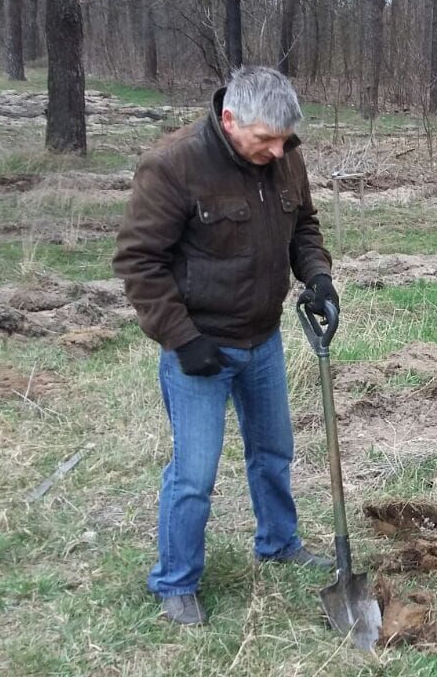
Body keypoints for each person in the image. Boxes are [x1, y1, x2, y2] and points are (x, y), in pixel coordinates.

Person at [113, 66, 339, 627]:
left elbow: (303, 227)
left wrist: (317, 276)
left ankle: (280, 542)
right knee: (194, 473)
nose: (277, 149)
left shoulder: (284, 155)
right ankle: (176, 582)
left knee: (274, 452)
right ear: (229, 119)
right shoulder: (174, 165)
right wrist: (182, 339)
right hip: (200, 348)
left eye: (284, 139)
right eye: (265, 139)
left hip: (263, 339)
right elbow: (139, 263)